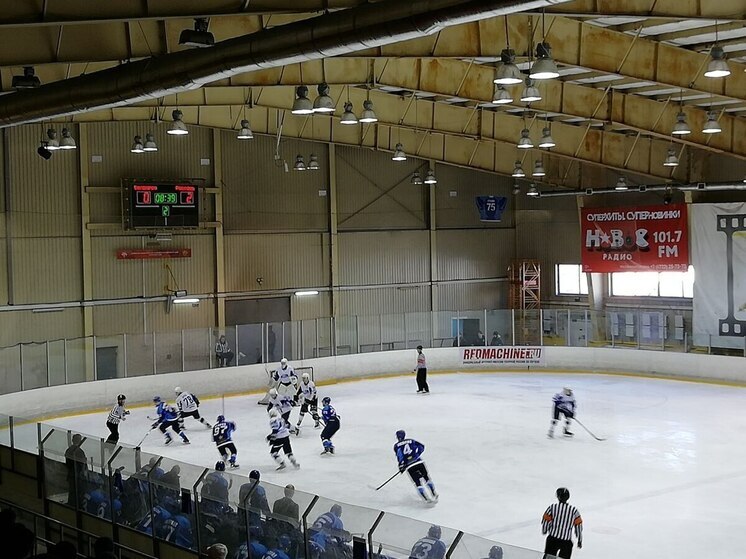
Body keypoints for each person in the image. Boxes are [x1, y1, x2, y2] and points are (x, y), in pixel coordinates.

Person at [394, 430, 438, 503]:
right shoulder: (411, 441)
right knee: (426, 478)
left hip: (410, 466)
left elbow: (400, 456)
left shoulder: (396, 446)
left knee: (417, 482)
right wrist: (417, 454)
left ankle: (426, 499)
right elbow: (422, 446)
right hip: (419, 462)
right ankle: (433, 493)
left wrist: (401, 466)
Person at [541, 487, 583, 559]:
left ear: (558, 497)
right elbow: (578, 526)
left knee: (549, 557)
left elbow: (546, 520)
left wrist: (544, 530)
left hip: (553, 539)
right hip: (566, 542)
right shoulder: (574, 511)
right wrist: (579, 540)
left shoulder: (552, 507)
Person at [65, 433, 88, 507]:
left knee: (72, 492)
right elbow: (82, 464)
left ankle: (71, 505)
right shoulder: (79, 451)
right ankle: (76, 506)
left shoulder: (69, 450)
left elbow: (68, 463)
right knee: (78, 493)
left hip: (72, 474)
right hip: (77, 476)